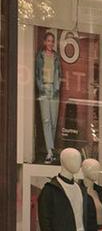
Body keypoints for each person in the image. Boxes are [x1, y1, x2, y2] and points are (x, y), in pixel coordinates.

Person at [35, 30, 61, 164]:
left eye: (52, 41)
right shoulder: (40, 56)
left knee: (53, 122)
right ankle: (50, 152)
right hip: (44, 89)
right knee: (46, 120)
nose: (50, 43)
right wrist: (40, 87)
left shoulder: (56, 57)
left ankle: (51, 149)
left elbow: (59, 74)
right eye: (48, 41)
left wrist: (57, 87)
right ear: (45, 42)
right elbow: (37, 74)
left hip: (54, 90)